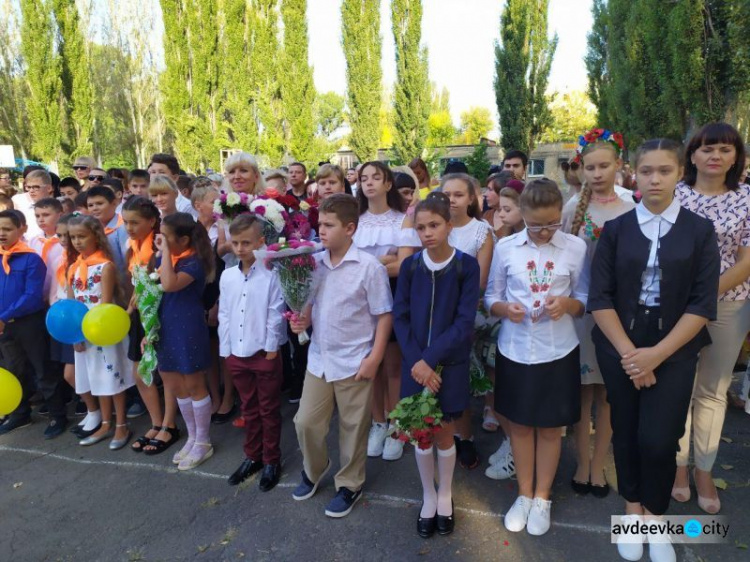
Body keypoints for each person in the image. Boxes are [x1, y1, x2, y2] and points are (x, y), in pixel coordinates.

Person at [589, 139, 720, 562]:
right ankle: (632, 511)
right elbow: (600, 298)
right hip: (619, 347)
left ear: (680, 173)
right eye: (647, 171)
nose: (655, 179)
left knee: (661, 439)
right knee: (626, 431)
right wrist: (632, 355)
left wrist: (656, 355)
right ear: (635, 174)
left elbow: (702, 304)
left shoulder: (700, 231)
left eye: (664, 170)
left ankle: (656, 515)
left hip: (675, 349)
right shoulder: (616, 230)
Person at [485, 179, 588, 536]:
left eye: (552, 223)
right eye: (535, 225)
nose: (544, 232)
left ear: (561, 213)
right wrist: (504, 308)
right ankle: (524, 494)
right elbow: (491, 296)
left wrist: (568, 304)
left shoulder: (575, 247)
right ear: (522, 216)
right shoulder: (507, 247)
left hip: (557, 350)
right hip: (515, 349)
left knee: (549, 428)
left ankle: (543, 497)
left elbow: (585, 297)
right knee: (520, 426)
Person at [290, 194, 393, 518]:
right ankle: (315, 468)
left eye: (328, 225)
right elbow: (308, 308)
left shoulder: (369, 268)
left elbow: (384, 315)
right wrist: (301, 319)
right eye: (319, 224)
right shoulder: (313, 264)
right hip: (320, 359)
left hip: (354, 361)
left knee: (353, 427)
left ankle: (350, 482)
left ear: (350, 228)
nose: (320, 230)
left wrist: (374, 358)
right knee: (306, 422)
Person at [673, 122, 750, 515]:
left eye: (724, 148)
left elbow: (748, 260)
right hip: (676, 308)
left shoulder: (747, 198)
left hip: (729, 305)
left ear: (736, 156)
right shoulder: (673, 194)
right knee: (679, 388)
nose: (715, 156)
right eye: (706, 149)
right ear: (692, 155)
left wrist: (706, 294)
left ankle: (704, 469)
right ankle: (678, 467)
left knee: (712, 391)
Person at [394, 192, 480, 538]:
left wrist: (430, 359)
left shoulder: (465, 266)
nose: (427, 233)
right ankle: (428, 496)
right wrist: (417, 360)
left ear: (448, 225)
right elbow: (400, 316)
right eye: (421, 227)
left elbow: (463, 322)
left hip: (448, 365)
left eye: (434, 225)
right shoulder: (410, 267)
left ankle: (445, 494)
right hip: (415, 365)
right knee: (421, 432)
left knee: (444, 432)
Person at [562, 130, 636, 500]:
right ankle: (580, 460)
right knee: (581, 395)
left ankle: (598, 464)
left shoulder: (632, 207)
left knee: (608, 393)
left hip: (618, 315)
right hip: (579, 313)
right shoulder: (572, 207)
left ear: (619, 164)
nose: (596, 172)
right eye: (589, 167)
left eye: (604, 165)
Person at [354, 161, 421, 462]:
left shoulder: (401, 221)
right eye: (363, 178)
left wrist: (375, 264)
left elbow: (405, 267)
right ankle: (378, 422)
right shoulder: (355, 221)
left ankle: (396, 424)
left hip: (393, 297)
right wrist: (384, 261)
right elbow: (347, 262)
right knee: (369, 366)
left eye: (375, 178)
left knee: (392, 365)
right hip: (358, 298)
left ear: (388, 184)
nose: (369, 183)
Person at [220, 215, 286, 491]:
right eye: (235, 243)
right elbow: (224, 313)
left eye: (246, 242)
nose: (240, 248)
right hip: (237, 352)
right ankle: (252, 455)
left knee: (269, 408)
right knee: (249, 407)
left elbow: (275, 312)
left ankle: (271, 459)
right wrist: (226, 349)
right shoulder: (228, 276)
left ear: (261, 242)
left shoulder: (272, 274)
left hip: (263, 353)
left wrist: (271, 348)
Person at [439, 174, 494, 469]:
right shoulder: (436, 227)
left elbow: (479, 281)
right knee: (446, 378)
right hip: (438, 312)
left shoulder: (481, 232)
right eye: (446, 193)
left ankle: (468, 436)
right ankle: (454, 435)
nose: (451, 200)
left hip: (468, 313)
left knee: (466, 377)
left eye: (458, 194)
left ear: (471, 198)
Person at [66, 215, 134, 449]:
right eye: (73, 237)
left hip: (103, 330)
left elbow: (105, 304)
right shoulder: (73, 268)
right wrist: (76, 335)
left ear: (96, 236)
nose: (77, 241)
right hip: (83, 334)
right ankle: (105, 423)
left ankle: (122, 424)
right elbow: (71, 306)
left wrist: (96, 330)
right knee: (96, 379)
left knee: (112, 377)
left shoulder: (105, 266)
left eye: (82, 236)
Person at [0, 210, 69, 438]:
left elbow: (31, 296)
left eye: (7, 229)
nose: (2, 234)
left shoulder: (31, 258)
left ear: (21, 229)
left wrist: (4, 316)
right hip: (4, 326)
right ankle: (20, 413)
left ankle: (58, 415)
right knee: (13, 368)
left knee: (43, 369)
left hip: (28, 322)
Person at [121, 197, 181, 455]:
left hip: (160, 314)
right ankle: (156, 422)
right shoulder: (132, 246)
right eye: (125, 222)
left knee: (165, 372)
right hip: (140, 315)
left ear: (152, 221)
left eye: (135, 222)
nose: (129, 227)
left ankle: (169, 423)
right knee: (139, 373)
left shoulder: (160, 247)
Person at [155, 212, 216, 470]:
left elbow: (169, 284)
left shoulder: (194, 262)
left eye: (166, 237)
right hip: (165, 325)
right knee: (173, 382)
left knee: (193, 383)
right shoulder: (166, 258)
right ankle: (191, 436)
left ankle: (203, 441)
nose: (160, 240)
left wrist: (165, 254)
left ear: (182, 239)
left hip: (187, 326)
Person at [190, 183, 235, 420]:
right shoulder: (191, 230)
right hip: (197, 295)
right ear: (198, 205)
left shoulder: (224, 228)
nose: (218, 205)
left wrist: (218, 301)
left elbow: (226, 265)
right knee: (208, 349)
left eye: (219, 201)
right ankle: (214, 396)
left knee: (224, 349)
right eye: (212, 201)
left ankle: (228, 395)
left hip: (220, 293)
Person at [29, 197, 64, 304]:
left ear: (60, 215)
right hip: (36, 295)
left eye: (46, 215)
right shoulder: (33, 241)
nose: (41, 219)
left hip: (58, 295)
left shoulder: (66, 242)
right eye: (37, 216)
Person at [86, 186, 128, 272]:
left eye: (100, 204)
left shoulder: (123, 228)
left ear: (114, 203)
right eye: (90, 205)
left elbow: (127, 262)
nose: (94, 208)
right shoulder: (90, 229)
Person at [148, 153, 198, 218]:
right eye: (153, 172)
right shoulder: (148, 206)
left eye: (161, 172)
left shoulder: (187, 207)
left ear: (175, 178)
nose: (156, 176)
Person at [19, 169, 55, 238]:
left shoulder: (59, 208)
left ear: (49, 188)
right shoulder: (23, 210)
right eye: (28, 187)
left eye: (36, 187)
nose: (31, 191)